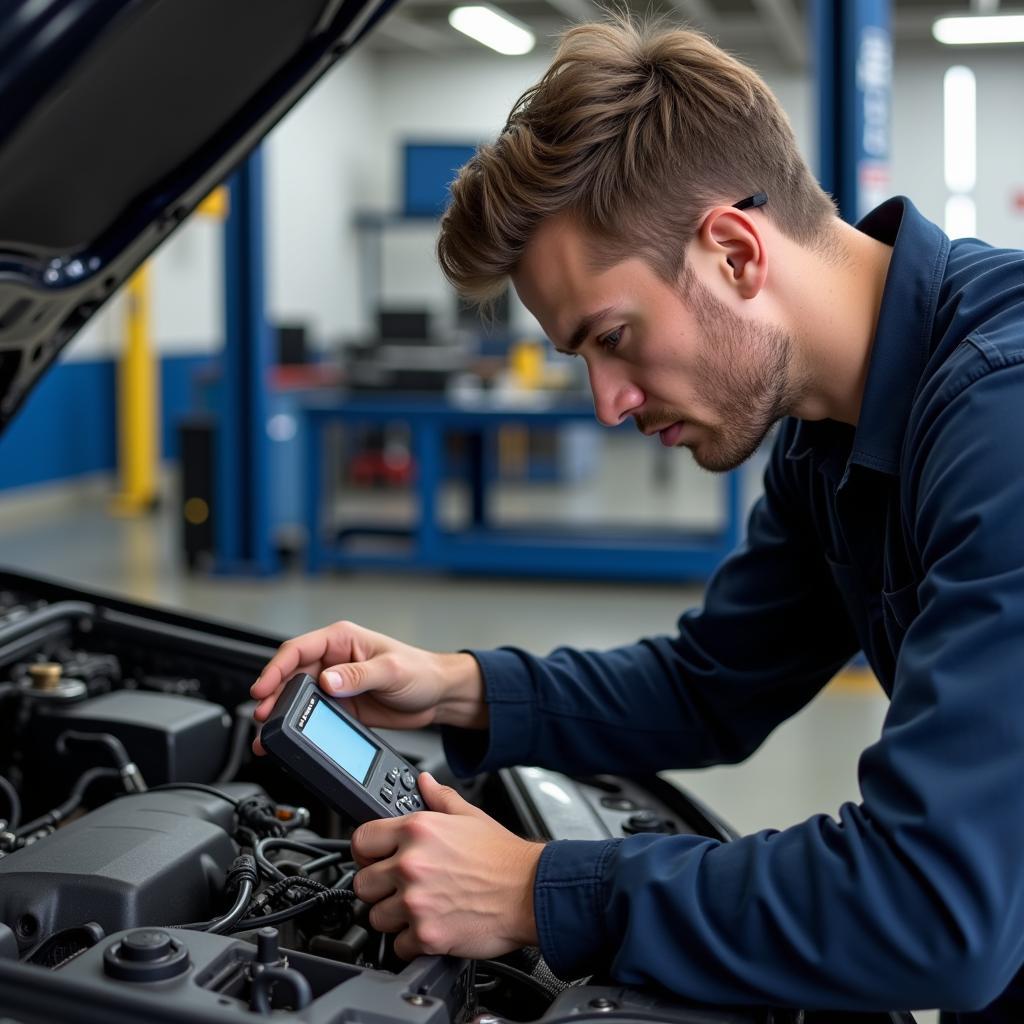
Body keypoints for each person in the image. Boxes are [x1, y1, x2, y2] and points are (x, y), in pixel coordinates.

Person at [250, 17, 1024, 1022]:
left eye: (612, 337)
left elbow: (934, 909)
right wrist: (457, 686)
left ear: (735, 252)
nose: (606, 403)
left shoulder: (1000, 418)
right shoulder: (823, 431)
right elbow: (711, 684)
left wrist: (537, 891)